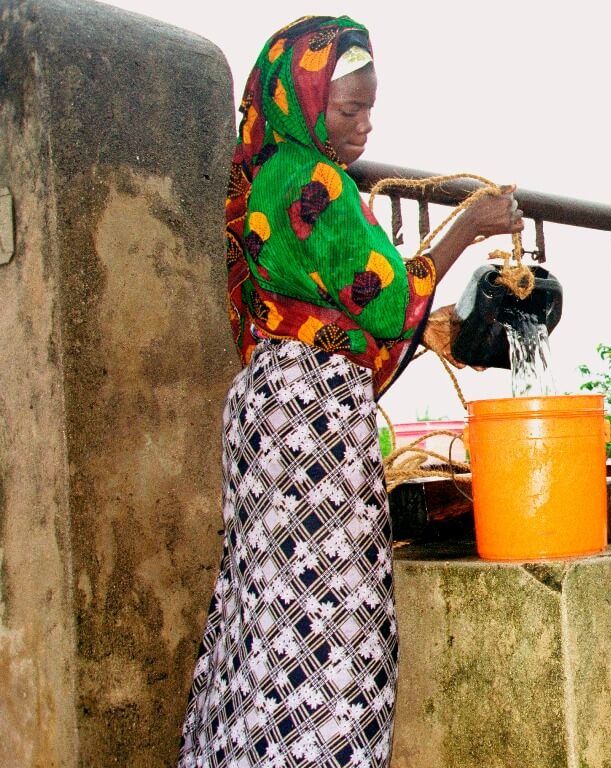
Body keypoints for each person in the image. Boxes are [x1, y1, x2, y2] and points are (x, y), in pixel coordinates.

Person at [178, 16, 522, 767]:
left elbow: (331, 305)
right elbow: (387, 297)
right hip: (312, 421)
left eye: (370, 107)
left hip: (270, 404)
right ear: (301, 105)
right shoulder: (311, 180)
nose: (365, 125)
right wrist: (468, 224)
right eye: (347, 110)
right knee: (334, 627)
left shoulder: (262, 174)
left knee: (267, 613)